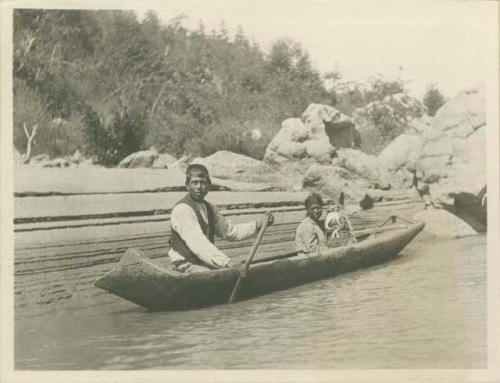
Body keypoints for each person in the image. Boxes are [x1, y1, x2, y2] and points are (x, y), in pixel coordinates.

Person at [168, 164, 274, 273]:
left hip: (203, 262)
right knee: (214, 277)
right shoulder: (183, 210)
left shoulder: (209, 208)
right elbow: (199, 244)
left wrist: (257, 225)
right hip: (186, 265)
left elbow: (230, 232)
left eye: (203, 182)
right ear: (187, 185)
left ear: (209, 185)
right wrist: (227, 262)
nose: (199, 187)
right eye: (194, 182)